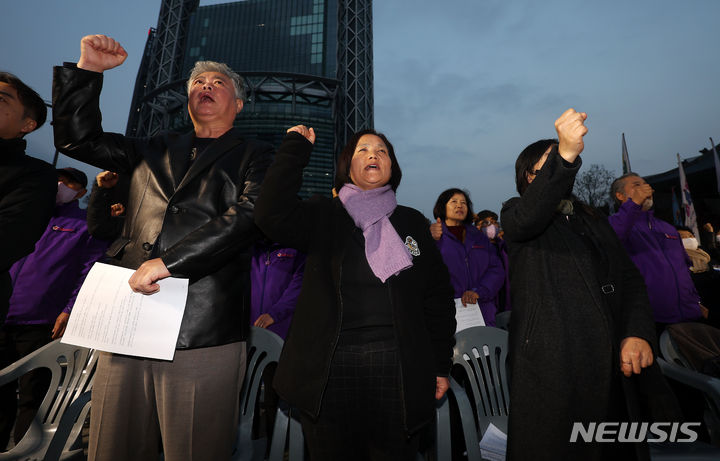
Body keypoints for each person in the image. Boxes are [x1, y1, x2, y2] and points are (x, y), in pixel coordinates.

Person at [52, 35, 273, 461]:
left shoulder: (257, 154)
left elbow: (249, 216)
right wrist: (88, 72)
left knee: (193, 447)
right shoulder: (150, 147)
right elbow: (77, 141)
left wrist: (168, 262)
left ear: (239, 103)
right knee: (112, 444)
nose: (204, 86)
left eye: (217, 82)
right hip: (129, 317)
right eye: (197, 82)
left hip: (203, 327)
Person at [254, 126, 456, 460]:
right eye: (362, 150)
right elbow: (269, 215)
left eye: (382, 150)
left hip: (399, 366)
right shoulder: (323, 213)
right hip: (330, 367)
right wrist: (294, 150)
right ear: (348, 166)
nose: (373, 154)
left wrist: (439, 365)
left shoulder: (412, 222)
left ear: (392, 166)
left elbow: (436, 298)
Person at [501, 109, 673, 460]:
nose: (556, 172)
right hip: (554, 368)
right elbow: (529, 216)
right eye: (545, 168)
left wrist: (637, 332)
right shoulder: (517, 212)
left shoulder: (593, 219)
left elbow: (629, 279)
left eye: (559, 163)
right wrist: (563, 156)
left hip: (613, 365)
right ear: (528, 178)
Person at [1, 167, 108, 446]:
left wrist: (70, 309)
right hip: (4, 314)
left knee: (32, 398)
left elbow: (89, 272)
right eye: (58, 179)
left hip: (42, 323)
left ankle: (26, 452)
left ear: (81, 193)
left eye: (70, 182)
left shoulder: (86, 225)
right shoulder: (25, 212)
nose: (61, 184)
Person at [0, 71, 57, 450]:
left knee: (27, 397)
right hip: (15, 315)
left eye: (2, 99)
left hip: (37, 320)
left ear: (28, 124)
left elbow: (10, 239)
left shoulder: (33, 177)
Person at [608, 173, 704, 333]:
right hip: (651, 321)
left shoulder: (667, 228)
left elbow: (684, 269)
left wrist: (697, 302)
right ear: (620, 195)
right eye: (636, 185)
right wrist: (635, 204)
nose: (645, 188)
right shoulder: (614, 225)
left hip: (690, 316)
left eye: (645, 184)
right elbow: (613, 237)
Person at [429, 189, 505, 325]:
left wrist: (478, 292)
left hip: (482, 310)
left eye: (463, 202)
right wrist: (430, 240)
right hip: (448, 312)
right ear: (442, 207)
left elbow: (496, 270)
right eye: (453, 202)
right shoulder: (433, 237)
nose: (459, 205)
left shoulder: (479, 237)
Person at [250, 240, 306, 340]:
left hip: (283, 330)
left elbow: (299, 286)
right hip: (250, 332)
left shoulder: (298, 249)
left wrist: (274, 314)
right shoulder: (250, 248)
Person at [475, 209, 511, 312]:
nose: (492, 226)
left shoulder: (504, 248)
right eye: (486, 223)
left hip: (507, 302)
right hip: (486, 303)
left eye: (494, 222)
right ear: (478, 227)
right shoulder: (474, 249)